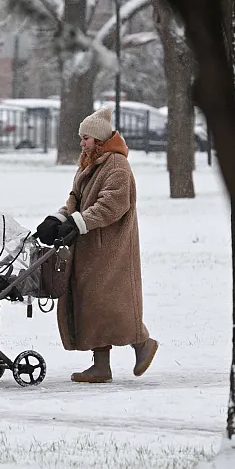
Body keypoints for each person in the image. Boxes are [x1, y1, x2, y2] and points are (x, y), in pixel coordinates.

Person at [35, 106, 158, 383]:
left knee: (108, 304)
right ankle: (102, 365)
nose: (82, 143)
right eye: (81, 138)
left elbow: (112, 205)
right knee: (92, 303)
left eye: (86, 138)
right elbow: (75, 199)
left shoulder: (117, 165)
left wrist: (77, 223)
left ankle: (141, 342)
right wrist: (57, 219)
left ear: (99, 140)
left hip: (110, 247)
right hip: (91, 244)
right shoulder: (90, 162)